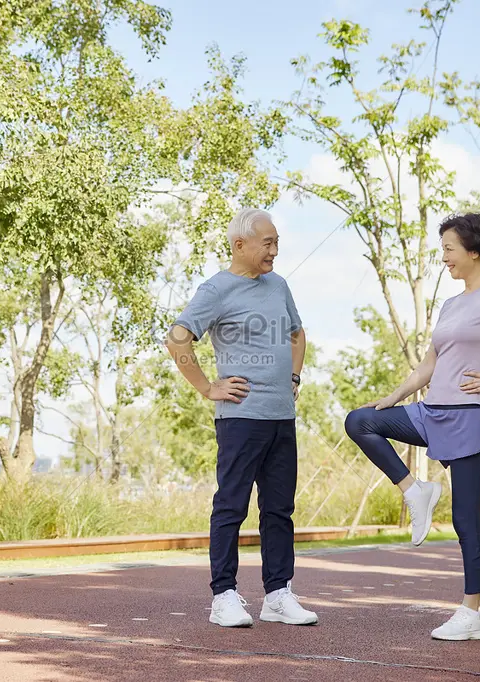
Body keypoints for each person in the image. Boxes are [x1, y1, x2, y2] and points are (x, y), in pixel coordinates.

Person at [344, 213, 480, 641]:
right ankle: (414, 489)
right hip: (430, 409)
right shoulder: (452, 304)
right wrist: (394, 397)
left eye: (449, 250)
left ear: (473, 251)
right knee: (360, 420)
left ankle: (471, 613)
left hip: (470, 417)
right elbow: (430, 365)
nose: (444, 259)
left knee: (465, 520)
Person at [165, 207, 318, 628]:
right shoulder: (216, 289)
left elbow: (297, 332)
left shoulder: (279, 285)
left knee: (279, 510)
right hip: (240, 418)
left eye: (276, 243)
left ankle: (278, 594)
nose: (274, 252)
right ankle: (224, 596)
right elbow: (177, 338)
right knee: (231, 505)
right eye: (267, 244)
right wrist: (206, 387)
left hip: (280, 416)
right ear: (240, 245)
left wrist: (293, 376)